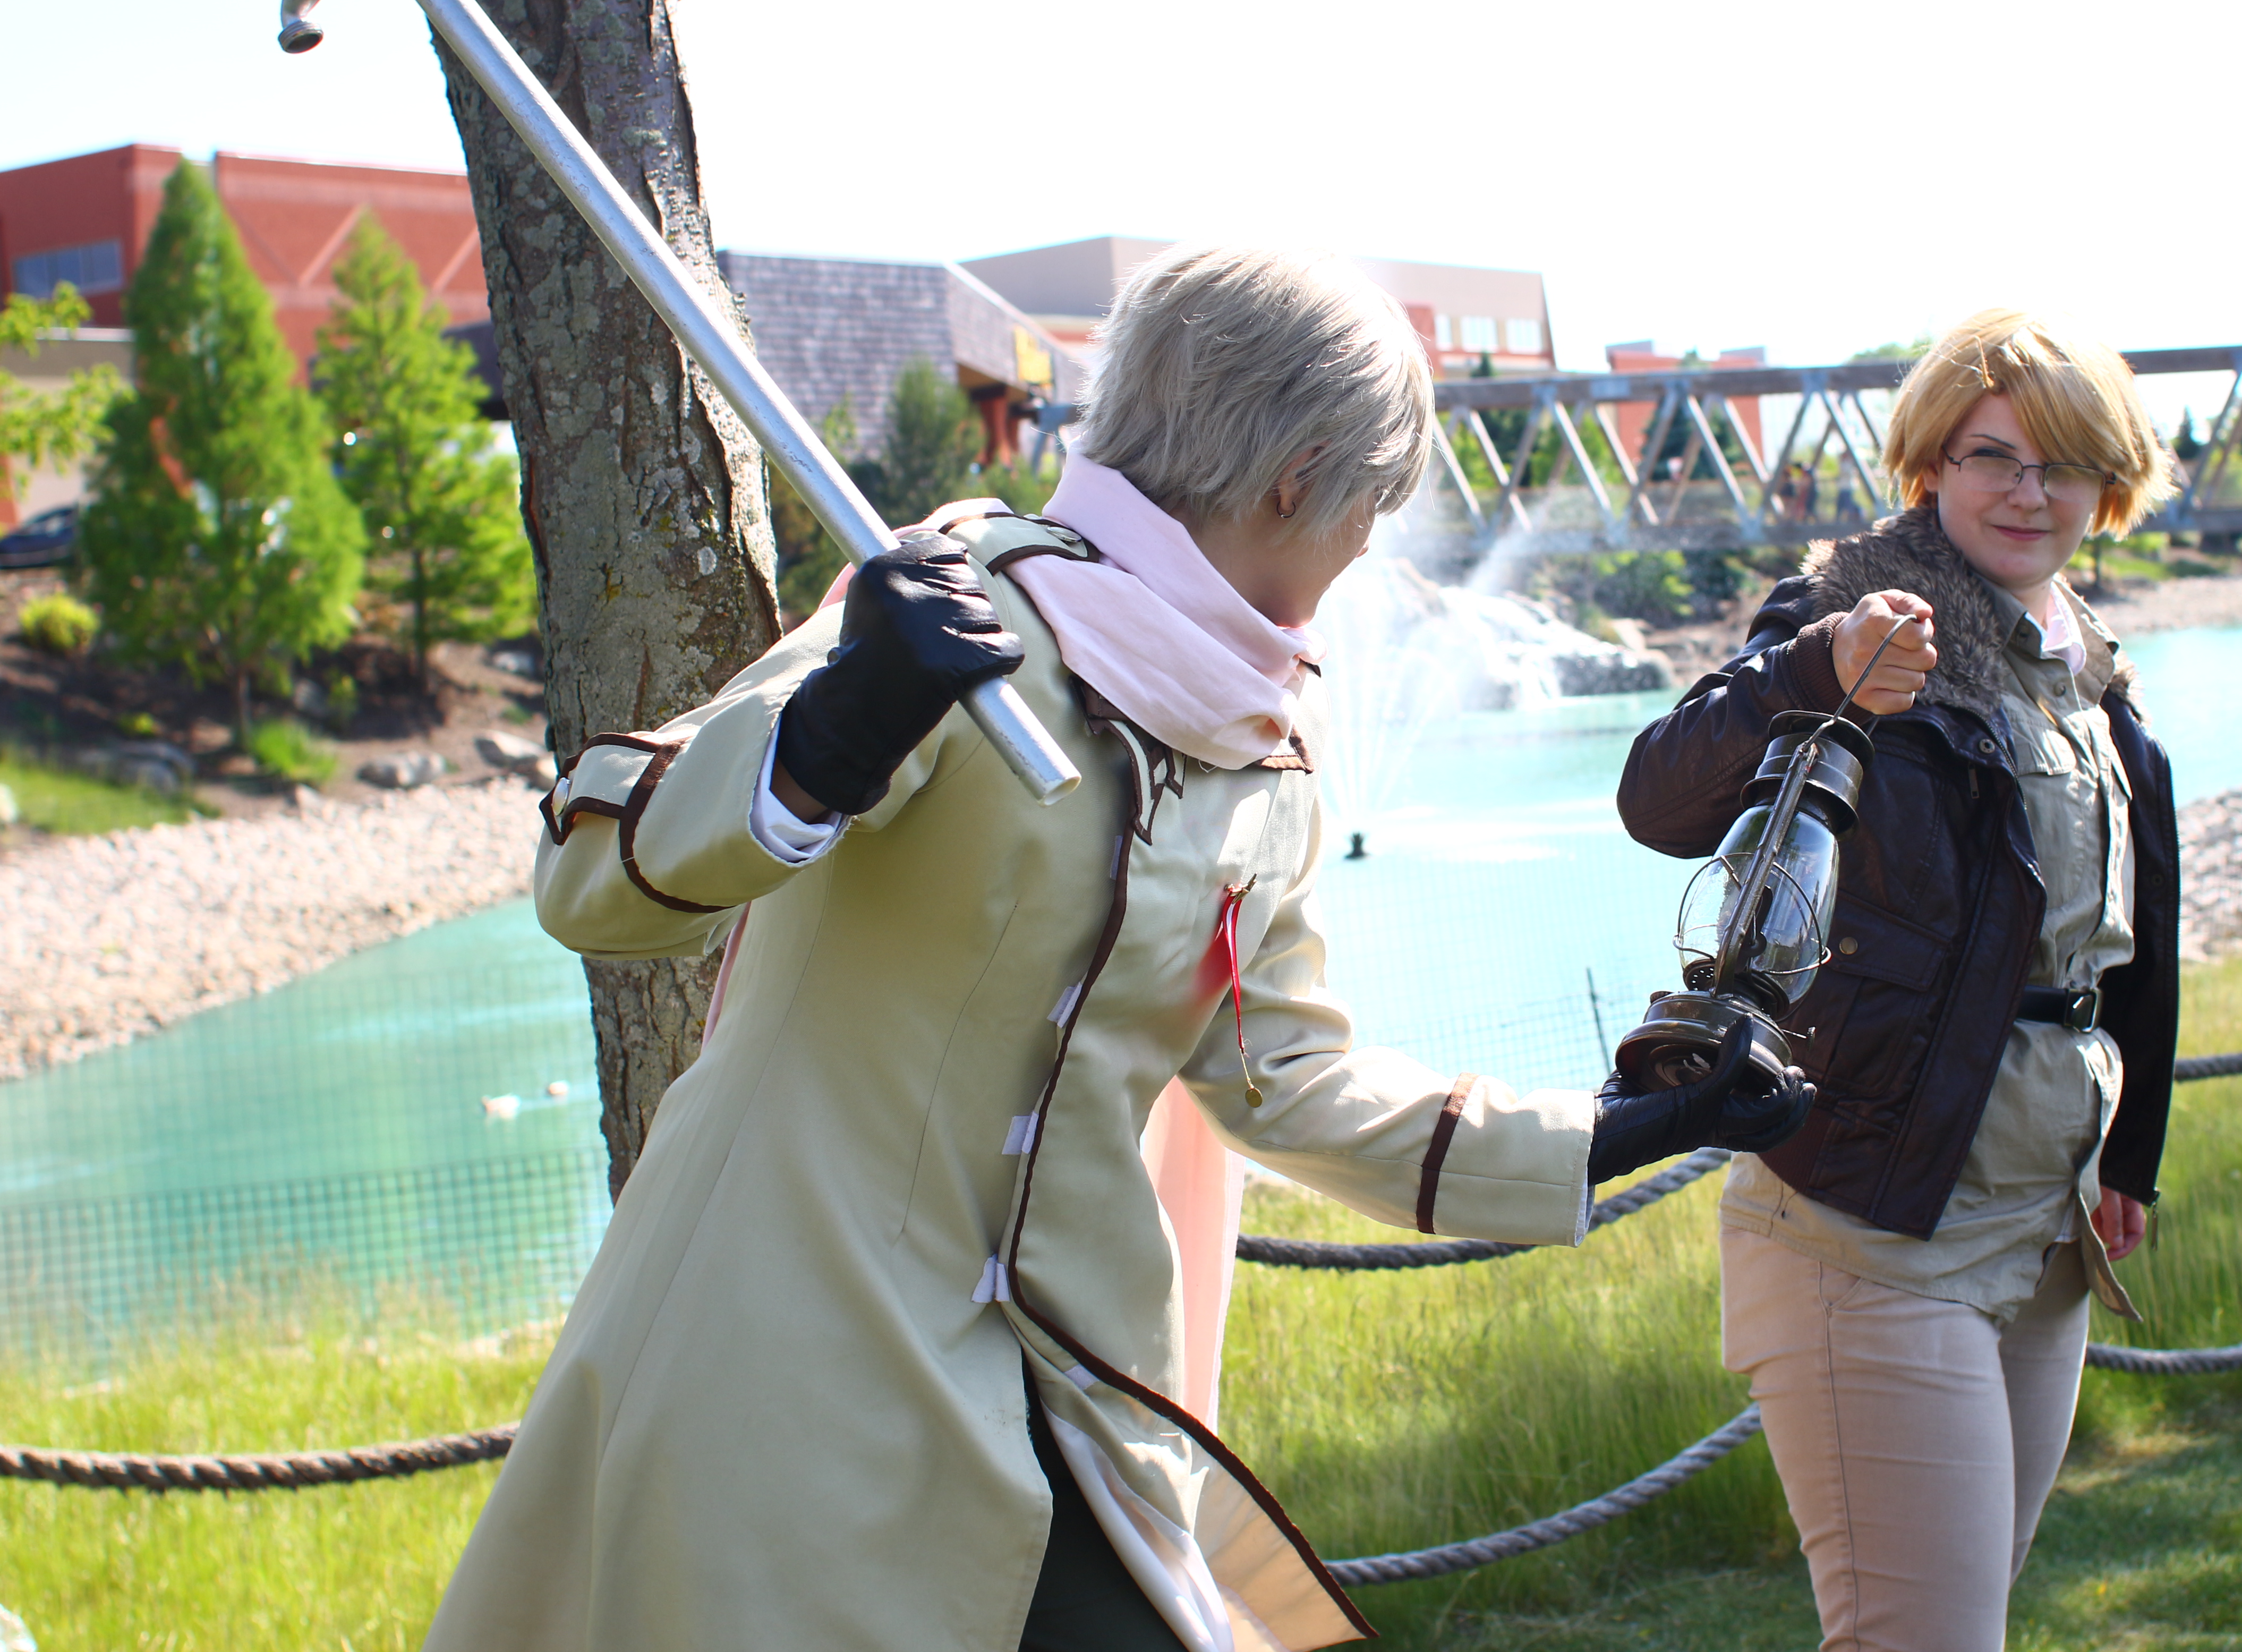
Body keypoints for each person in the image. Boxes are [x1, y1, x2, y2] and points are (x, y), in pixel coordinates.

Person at [424, 245, 1803, 1652]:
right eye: (1374, 506)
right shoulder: (955, 620)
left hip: (1063, 1395)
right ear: (1297, 477)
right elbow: (590, 871)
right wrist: (824, 737)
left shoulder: (1264, 746)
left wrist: (1607, 1131)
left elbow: (1284, 1078)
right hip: (780, 1376)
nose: (1370, 548)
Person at [1616, 309, 2184, 1652]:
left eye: (2061, 463)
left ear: (2109, 488)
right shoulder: (1852, 618)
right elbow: (1660, 797)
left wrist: (2133, 1156)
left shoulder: (2093, 677)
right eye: (1994, 456)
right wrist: (1815, 672)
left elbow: (2126, 951)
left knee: (1963, 1618)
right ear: (1931, 464)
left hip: (2042, 1225)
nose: (2027, 491)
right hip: (1870, 1222)